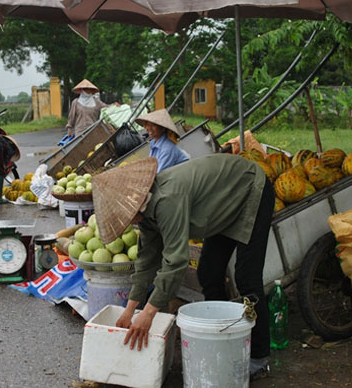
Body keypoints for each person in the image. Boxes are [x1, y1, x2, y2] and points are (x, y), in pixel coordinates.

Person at [91, 155, 275, 381]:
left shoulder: (167, 201)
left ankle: (259, 357)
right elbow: (147, 261)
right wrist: (130, 310)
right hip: (221, 203)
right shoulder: (146, 215)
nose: (127, 223)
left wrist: (149, 313)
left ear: (133, 204)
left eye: (125, 218)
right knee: (208, 272)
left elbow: (176, 261)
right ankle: (220, 336)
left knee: (247, 278)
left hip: (248, 190)